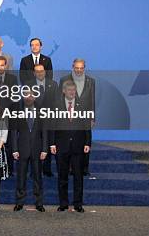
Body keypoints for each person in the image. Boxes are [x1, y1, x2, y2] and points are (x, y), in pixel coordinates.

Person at [50, 80, 91, 213]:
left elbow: (87, 126)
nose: (72, 93)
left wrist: (87, 143)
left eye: (74, 90)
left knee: (78, 176)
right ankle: (63, 204)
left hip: (78, 146)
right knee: (62, 176)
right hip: (61, 146)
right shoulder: (56, 105)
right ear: (64, 91)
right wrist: (52, 143)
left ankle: (78, 204)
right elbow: (52, 126)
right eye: (69, 90)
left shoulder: (82, 105)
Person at [11, 89, 48, 212]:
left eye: (31, 95)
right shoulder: (17, 110)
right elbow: (13, 131)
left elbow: (45, 132)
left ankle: (39, 203)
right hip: (22, 149)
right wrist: (15, 149)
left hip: (37, 150)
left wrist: (44, 149)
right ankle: (19, 202)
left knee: (38, 177)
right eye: (26, 95)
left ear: (34, 97)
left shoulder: (41, 110)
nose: (28, 97)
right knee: (21, 177)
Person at [59, 58, 95, 176]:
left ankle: (84, 168)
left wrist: (92, 117)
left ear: (84, 68)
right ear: (72, 67)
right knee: (70, 142)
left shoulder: (91, 81)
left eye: (81, 68)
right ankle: (70, 168)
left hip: (85, 116)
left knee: (85, 141)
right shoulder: (64, 79)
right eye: (77, 68)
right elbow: (60, 99)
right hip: (69, 114)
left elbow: (92, 100)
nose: (79, 70)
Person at [28, 64, 58, 177]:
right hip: (33, 119)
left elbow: (56, 102)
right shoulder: (28, 84)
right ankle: (34, 170)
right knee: (34, 144)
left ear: (45, 72)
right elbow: (27, 101)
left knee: (48, 142)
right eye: (37, 71)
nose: (40, 73)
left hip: (49, 118)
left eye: (42, 71)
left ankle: (47, 169)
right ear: (34, 73)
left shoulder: (53, 84)